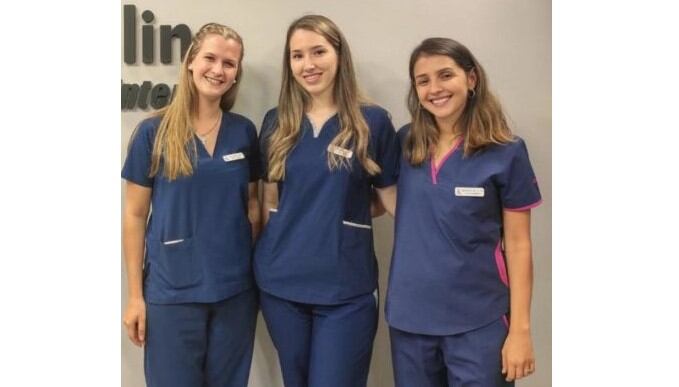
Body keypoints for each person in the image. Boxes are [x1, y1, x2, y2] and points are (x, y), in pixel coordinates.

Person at [384, 37, 542, 387]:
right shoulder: (405, 142)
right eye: (423, 81)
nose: (435, 89)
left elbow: (518, 246)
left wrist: (520, 331)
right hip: (410, 319)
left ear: (471, 79)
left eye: (445, 75)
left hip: (479, 321)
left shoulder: (506, 151)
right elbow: (391, 200)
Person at [254, 14, 399, 387]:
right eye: (297, 56)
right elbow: (268, 201)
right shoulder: (276, 122)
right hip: (281, 284)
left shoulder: (372, 122)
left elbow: (387, 200)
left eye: (318, 51)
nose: (309, 64)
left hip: (345, 288)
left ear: (339, 55)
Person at [121, 23, 260, 387]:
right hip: (172, 291)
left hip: (235, 290)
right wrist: (135, 296)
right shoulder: (154, 132)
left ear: (236, 75)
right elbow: (134, 216)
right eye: (210, 58)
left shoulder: (244, 131)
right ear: (190, 63)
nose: (218, 69)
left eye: (229, 64)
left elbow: (253, 207)